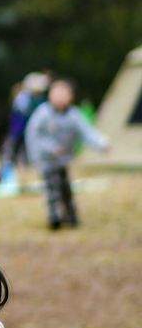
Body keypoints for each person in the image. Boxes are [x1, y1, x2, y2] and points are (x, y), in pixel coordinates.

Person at [25, 79, 110, 230]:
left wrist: (101, 144)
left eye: (64, 93)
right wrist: (50, 149)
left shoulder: (73, 115)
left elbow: (87, 132)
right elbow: (34, 136)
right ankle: (54, 217)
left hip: (63, 160)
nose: (60, 97)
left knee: (65, 188)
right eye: (56, 93)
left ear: (71, 96)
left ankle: (71, 216)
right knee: (52, 188)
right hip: (46, 160)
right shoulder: (43, 113)